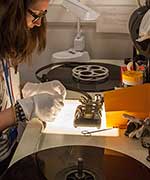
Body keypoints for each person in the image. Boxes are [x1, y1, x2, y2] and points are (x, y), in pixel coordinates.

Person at [0, 0, 66, 175]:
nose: (38, 23)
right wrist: (24, 109)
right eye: (36, 15)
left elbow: (3, 91)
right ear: (11, 9)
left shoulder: (6, 47)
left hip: (10, 148)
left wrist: (29, 90)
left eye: (43, 15)